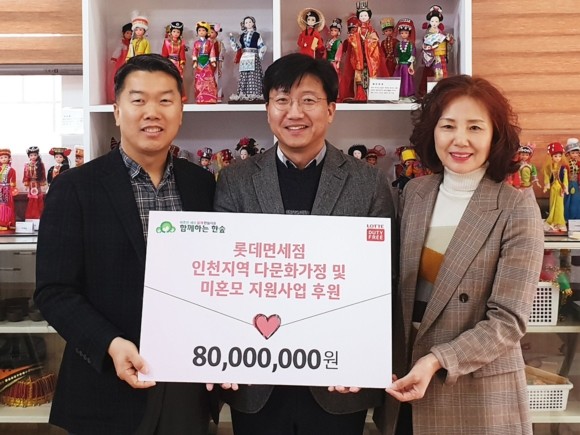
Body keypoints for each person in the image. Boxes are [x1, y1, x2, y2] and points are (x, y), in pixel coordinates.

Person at [34, 54, 217, 435]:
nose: (152, 112)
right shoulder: (75, 188)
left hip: (187, 386)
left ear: (181, 111)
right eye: (138, 100)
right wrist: (110, 344)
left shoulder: (202, 184)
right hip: (104, 385)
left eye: (165, 100)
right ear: (117, 112)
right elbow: (54, 292)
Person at [214, 52, 395, 435]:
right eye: (282, 100)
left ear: (331, 110)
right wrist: (222, 348)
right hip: (255, 377)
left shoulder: (368, 182)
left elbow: (382, 281)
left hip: (339, 378)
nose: (294, 112)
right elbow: (222, 278)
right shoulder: (236, 180)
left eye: (308, 100)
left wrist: (365, 358)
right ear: (268, 110)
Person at [377, 75, 544, 435]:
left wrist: (437, 360)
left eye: (475, 128)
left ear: (495, 136)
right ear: (432, 132)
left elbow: (508, 321)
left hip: (475, 392)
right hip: (406, 384)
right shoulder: (415, 194)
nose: (460, 140)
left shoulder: (515, 206)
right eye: (448, 126)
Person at [229, 16, 266, 102]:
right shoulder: (242, 36)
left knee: (254, 75)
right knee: (244, 75)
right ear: (244, 25)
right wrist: (232, 40)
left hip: (254, 56)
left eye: (250, 22)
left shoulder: (257, 35)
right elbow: (238, 48)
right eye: (246, 22)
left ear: (253, 23)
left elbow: (261, 45)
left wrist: (260, 54)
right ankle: (244, 93)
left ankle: (255, 94)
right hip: (245, 57)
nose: (248, 24)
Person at [543, 141, 568, 232]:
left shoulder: (563, 168)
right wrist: (546, 185)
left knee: (560, 206)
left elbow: (565, 178)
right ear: (551, 156)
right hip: (553, 188)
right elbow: (546, 176)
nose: (558, 158)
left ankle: (560, 222)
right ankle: (552, 221)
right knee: (552, 204)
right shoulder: (548, 167)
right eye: (555, 156)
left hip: (560, 189)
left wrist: (565, 188)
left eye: (560, 156)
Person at [192, 21, 218, 104]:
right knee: (199, 79)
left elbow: (212, 51)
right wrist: (195, 61)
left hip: (207, 62)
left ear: (207, 32)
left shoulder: (209, 42)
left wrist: (213, 61)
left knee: (209, 78)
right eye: (199, 30)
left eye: (203, 30)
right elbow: (194, 52)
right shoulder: (196, 43)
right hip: (199, 62)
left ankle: (210, 97)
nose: (201, 32)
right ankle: (200, 97)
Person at [161, 21, 187, 102]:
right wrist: (163, 63)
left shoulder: (181, 43)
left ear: (180, 33)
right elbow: (164, 54)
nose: (176, 33)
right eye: (174, 31)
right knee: (168, 78)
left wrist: (182, 63)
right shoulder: (166, 42)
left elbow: (182, 54)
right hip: (169, 63)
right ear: (171, 32)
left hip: (177, 64)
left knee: (178, 79)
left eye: (178, 32)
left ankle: (180, 96)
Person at [107, 22, 132, 103]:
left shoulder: (133, 43)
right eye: (127, 33)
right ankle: (116, 96)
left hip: (130, 62)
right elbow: (117, 51)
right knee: (120, 77)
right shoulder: (122, 43)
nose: (129, 35)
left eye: (131, 33)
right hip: (122, 62)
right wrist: (114, 58)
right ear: (123, 33)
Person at [393, 19, 416, 101]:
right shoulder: (398, 44)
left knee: (407, 80)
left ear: (409, 33)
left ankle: (408, 94)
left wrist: (411, 65)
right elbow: (396, 54)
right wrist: (397, 63)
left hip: (407, 65)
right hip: (400, 66)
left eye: (406, 33)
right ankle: (399, 94)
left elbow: (413, 54)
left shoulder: (411, 44)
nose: (404, 35)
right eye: (402, 33)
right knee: (399, 79)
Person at [22, 146, 46, 219]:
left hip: (37, 184)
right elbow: (25, 175)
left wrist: (42, 184)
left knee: (38, 198)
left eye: (35, 155)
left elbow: (43, 174)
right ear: (29, 156)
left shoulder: (40, 164)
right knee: (31, 199)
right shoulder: (27, 165)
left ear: (37, 155)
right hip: (31, 184)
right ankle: (31, 216)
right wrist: (26, 184)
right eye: (31, 155)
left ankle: (39, 216)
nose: (33, 157)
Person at [0, 148, 17, 231]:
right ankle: (1, 223)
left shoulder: (11, 170)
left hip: (7, 190)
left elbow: (13, 182)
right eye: (1, 158)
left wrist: (12, 187)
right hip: (0, 190)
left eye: (5, 157)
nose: (3, 159)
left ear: (9, 158)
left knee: (8, 206)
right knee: (1, 206)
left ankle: (9, 222)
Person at [209, 23, 226, 102]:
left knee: (217, 79)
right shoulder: (206, 42)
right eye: (209, 32)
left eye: (212, 32)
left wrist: (219, 65)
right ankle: (209, 95)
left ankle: (217, 96)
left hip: (216, 62)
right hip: (207, 63)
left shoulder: (219, 43)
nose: (210, 34)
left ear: (216, 33)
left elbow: (221, 54)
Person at [565, 137, 580, 220]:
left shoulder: (578, 163)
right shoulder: (566, 164)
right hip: (568, 183)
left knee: (576, 200)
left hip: (577, 184)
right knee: (569, 200)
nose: (575, 154)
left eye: (576, 153)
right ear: (568, 153)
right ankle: (569, 217)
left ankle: (577, 217)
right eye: (573, 152)